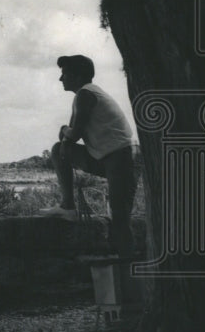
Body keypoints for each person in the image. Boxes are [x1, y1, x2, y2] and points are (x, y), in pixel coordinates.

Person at [41, 54, 138, 259]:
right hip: (107, 157)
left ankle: (127, 272)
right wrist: (66, 134)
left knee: (120, 219)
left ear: (77, 76)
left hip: (122, 158)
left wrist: (64, 129)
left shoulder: (85, 94)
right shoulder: (82, 96)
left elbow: (73, 134)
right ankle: (68, 205)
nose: (61, 79)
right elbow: (68, 141)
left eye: (64, 74)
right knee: (59, 150)